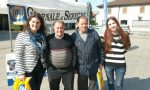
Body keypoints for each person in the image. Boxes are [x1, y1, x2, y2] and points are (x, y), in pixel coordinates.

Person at [71, 15, 105, 90]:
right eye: (82, 23)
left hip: (94, 66)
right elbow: (73, 54)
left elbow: (100, 49)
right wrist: (74, 67)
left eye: (86, 23)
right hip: (81, 67)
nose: (84, 25)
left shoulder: (94, 33)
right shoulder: (74, 36)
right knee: (82, 87)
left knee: (93, 87)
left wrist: (101, 62)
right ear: (77, 24)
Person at [15, 13, 47, 90]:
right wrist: (21, 72)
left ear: (40, 24)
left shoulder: (42, 36)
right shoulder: (22, 35)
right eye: (33, 22)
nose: (35, 24)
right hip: (28, 69)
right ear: (29, 22)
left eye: (37, 22)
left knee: (37, 88)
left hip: (40, 68)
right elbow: (18, 55)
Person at [46, 20, 76, 90]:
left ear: (64, 28)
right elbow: (45, 53)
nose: (59, 30)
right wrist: (48, 66)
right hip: (53, 70)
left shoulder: (69, 37)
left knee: (69, 88)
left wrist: (73, 65)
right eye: (57, 28)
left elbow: (74, 52)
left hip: (68, 70)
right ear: (54, 28)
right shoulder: (49, 38)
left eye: (61, 28)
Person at [103, 16, 131, 90]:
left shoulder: (124, 35)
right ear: (108, 26)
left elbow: (127, 47)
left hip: (120, 65)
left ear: (117, 23)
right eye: (110, 24)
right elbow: (104, 49)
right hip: (108, 65)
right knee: (110, 82)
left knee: (119, 84)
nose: (112, 25)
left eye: (113, 23)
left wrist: (119, 53)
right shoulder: (105, 36)